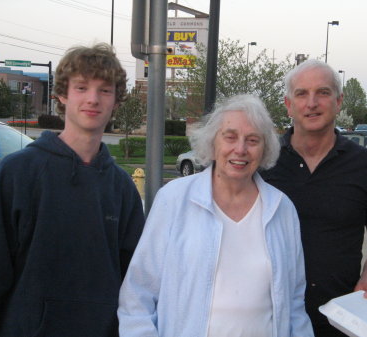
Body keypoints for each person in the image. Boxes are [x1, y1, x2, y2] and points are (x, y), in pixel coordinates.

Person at [0, 43, 145, 337]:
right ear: (63, 95)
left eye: (105, 90)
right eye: (81, 87)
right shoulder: (18, 172)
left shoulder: (122, 189)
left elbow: (136, 286)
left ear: (117, 101)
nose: (93, 99)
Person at [117, 94, 314, 337]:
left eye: (252, 140)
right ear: (212, 143)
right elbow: (138, 295)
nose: (240, 149)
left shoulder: (282, 209)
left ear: (264, 150)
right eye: (230, 137)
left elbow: (294, 303)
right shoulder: (174, 200)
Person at [261, 59, 367, 336]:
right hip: (267, 319)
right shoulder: (263, 163)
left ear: (339, 101)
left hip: (340, 320)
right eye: (301, 94)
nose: (312, 103)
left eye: (322, 92)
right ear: (288, 104)